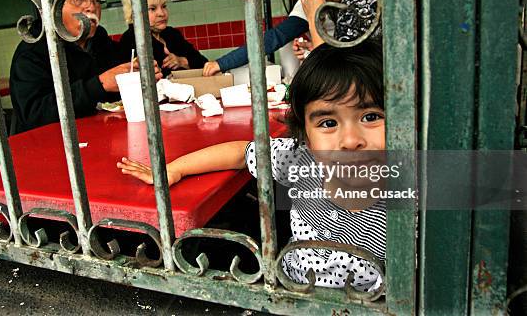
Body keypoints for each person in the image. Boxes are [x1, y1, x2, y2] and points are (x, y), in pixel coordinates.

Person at [118, 40, 386, 292]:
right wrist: (174, 169)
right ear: (304, 132)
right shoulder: (300, 158)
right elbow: (239, 152)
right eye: (328, 123)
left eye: (371, 116)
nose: (351, 141)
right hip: (289, 289)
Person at [10, 0, 161, 133]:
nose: (91, 7)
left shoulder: (99, 40)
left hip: (98, 136)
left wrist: (137, 74)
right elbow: (34, 115)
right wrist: (100, 84)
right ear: (54, 7)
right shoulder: (34, 51)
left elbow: (115, 93)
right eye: (79, 0)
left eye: (96, 0)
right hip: (49, 147)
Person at [118, 0, 208, 77]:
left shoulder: (172, 34)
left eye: (164, 6)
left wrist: (182, 61)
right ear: (134, 13)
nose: (161, 13)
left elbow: (205, 64)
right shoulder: (131, 40)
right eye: (152, 9)